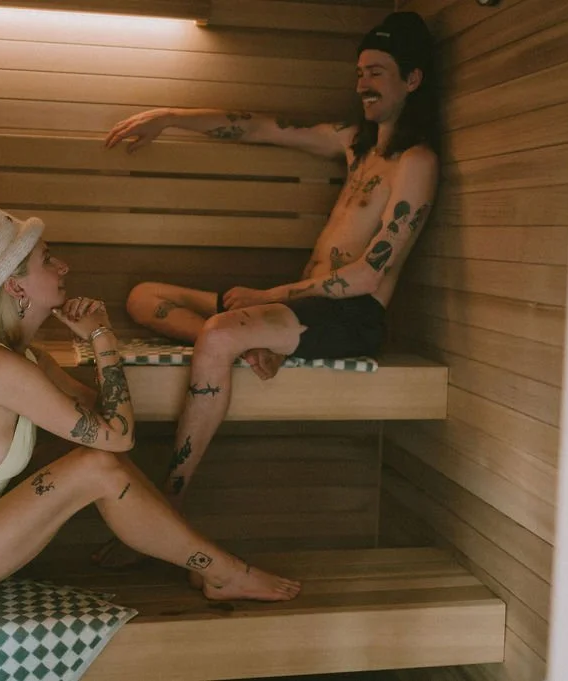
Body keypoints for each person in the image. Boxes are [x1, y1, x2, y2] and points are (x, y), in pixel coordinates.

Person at [98, 11, 440, 539]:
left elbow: (370, 277)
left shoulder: (414, 162)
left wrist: (267, 295)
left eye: (377, 71)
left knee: (217, 333)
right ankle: (248, 344)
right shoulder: (357, 145)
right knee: (146, 297)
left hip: (351, 318)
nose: (363, 83)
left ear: (412, 79)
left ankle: (166, 510)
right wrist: (170, 116)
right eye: (360, 72)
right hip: (296, 310)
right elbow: (261, 126)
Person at [0, 206, 301, 613]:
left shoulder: (25, 359)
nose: (63, 266)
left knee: (98, 463)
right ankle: (223, 572)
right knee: (95, 466)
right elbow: (118, 435)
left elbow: (106, 420)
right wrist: (102, 335)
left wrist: (99, 337)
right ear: (16, 288)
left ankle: (210, 566)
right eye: (47, 259)